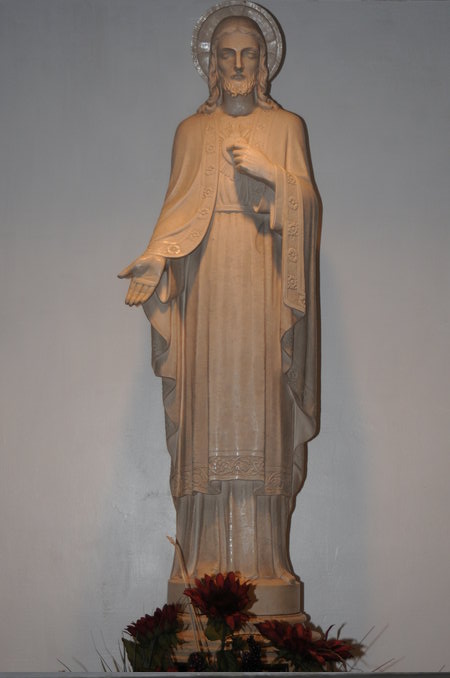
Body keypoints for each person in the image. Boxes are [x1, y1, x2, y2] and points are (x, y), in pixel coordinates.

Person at [119, 6, 319, 615]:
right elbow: (176, 215)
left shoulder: (286, 127)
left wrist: (273, 175)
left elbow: (309, 209)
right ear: (211, 63)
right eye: (226, 54)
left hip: (263, 285)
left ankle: (266, 564)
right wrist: (154, 261)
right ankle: (203, 565)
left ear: (263, 63)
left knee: (263, 416)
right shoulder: (191, 132)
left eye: (248, 54)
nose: (237, 64)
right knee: (206, 421)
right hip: (206, 288)